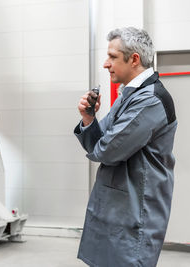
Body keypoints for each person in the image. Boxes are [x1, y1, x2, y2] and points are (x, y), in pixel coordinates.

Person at [74, 27, 177, 267]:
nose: (105, 64)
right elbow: (99, 143)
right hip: (116, 206)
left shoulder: (150, 99)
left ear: (134, 59)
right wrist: (89, 118)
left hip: (136, 210)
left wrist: (98, 135)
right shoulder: (129, 95)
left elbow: (106, 151)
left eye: (112, 57)